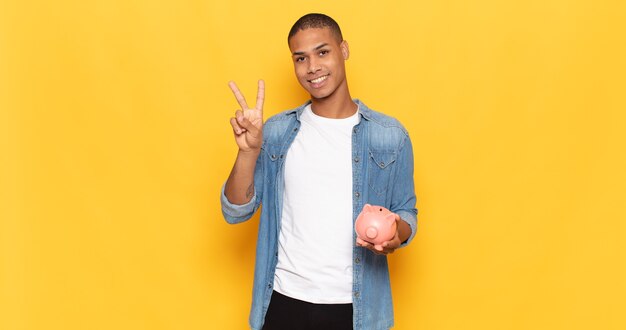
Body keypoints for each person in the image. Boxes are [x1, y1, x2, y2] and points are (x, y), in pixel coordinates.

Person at [221, 13, 417, 330]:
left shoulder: (389, 136)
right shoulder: (277, 132)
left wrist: (396, 233)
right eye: (301, 58)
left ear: (344, 50)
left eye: (322, 52)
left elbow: (406, 211)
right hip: (283, 302)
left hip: (356, 310)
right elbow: (235, 211)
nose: (312, 67)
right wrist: (247, 152)